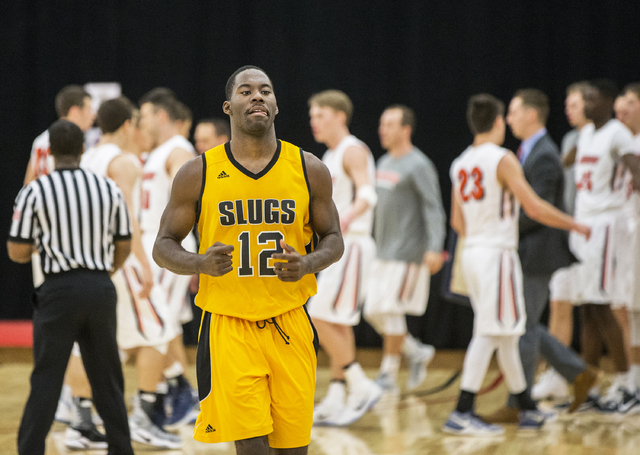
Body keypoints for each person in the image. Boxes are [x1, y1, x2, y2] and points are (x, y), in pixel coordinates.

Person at [153, 65, 343, 454]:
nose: (257, 95)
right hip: (229, 328)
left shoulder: (308, 168)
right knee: (251, 447)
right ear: (228, 107)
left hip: (290, 322)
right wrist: (199, 263)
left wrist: (307, 264)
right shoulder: (198, 172)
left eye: (265, 90)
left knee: (293, 449)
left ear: (276, 105)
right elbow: (163, 245)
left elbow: (334, 239)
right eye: (246, 91)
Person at [443, 94, 590, 435]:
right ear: (497, 122)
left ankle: (526, 407)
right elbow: (534, 208)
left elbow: (457, 222)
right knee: (489, 332)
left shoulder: (460, 162)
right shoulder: (502, 158)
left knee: (508, 333)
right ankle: (462, 410)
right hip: (497, 254)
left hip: (472, 252)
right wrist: (574, 224)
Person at [8, 119, 134, 455]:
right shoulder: (107, 188)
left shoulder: (34, 191)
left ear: (49, 152)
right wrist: (102, 273)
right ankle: (122, 449)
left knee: (46, 380)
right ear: (82, 149)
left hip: (57, 291)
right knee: (108, 381)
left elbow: (17, 251)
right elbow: (125, 243)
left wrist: (44, 247)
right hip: (100, 288)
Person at [484, 89, 597, 423]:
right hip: (526, 249)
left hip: (538, 252)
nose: (508, 119)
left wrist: (503, 228)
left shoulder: (544, 154)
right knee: (525, 323)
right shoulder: (530, 152)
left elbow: (537, 210)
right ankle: (578, 372)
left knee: (524, 327)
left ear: (531, 114)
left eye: (514, 112)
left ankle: (519, 403)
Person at [80, 97, 182, 448]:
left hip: (94, 259)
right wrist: (143, 263)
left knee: (107, 341)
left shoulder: (88, 157)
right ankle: (143, 417)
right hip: (122, 259)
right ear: (127, 125)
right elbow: (126, 218)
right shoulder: (122, 161)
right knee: (158, 330)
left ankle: (84, 417)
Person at [22, 85, 102, 432]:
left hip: (46, 243)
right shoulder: (76, 144)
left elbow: (27, 186)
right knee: (75, 323)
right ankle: (75, 401)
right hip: (67, 243)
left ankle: (70, 396)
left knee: (56, 321)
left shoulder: (40, 139)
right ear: (75, 110)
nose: (93, 114)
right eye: (89, 108)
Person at [306, 90, 382, 426]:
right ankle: (338, 395)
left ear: (340, 116)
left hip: (353, 243)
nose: (314, 122)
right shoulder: (330, 155)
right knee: (338, 322)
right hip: (340, 245)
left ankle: (360, 384)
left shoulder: (352, 150)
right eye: (312, 116)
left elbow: (368, 193)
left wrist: (346, 218)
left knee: (318, 316)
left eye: (320, 115)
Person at [364, 105, 445, 393]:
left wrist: (435, 247)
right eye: (382, 124)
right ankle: (415, 351)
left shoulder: (419, 165)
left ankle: (388, 373)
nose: (382, 130)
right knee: (373, 311)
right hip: (382, 250)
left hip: (408, 252)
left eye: (389, 124)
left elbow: (433, 208)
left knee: (391, 310)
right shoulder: (384, 162)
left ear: (405, 129)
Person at [571, 79, 640, 412]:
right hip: (583, 223)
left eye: (591, 99)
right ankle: (590, 386)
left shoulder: (618, 134)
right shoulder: (586, 134)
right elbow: (569, 161)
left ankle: (627, 384)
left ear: (607, 102)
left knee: (604, 306)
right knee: (588, 307)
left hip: (607, 224)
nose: (585, 104)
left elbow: (635, 170)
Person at [138, 88, 199, 429]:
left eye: (145, 114)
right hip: (153, 241)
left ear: (161, 115)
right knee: (166, 324)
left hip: (169, 242)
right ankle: (174, 390)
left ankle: (178, 390)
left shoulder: (177, 149)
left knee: (155, 322)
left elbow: (192, 193)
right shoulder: (156, 151)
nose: (141, 121)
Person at [534, 82, 593, 401]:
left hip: (594, 231)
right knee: (560, 303)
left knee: (601, 310)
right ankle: (558, 375)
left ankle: (622, 377)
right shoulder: (570, 140)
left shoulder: (612, 136)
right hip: (567, 230)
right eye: (567, 105)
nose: (568, 110)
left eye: (574, 104)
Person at [609, 83, 640, 407]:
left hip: (635, 231)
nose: (622, 107)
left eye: (630, 101)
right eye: (621, 102)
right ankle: (631, 380)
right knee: (624, 308)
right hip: (623, 232)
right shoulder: (619, 143)